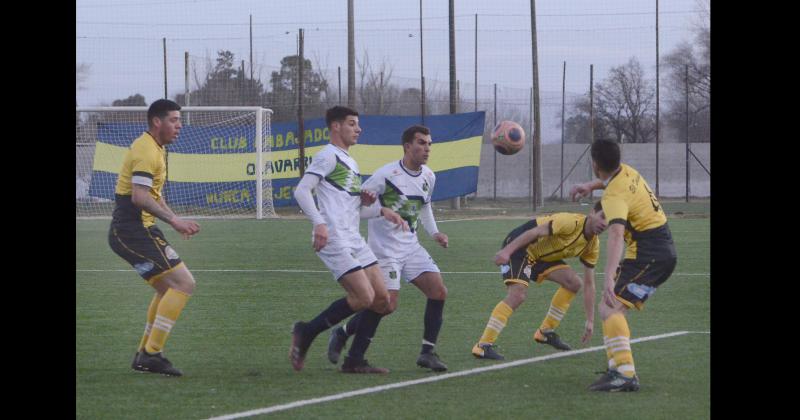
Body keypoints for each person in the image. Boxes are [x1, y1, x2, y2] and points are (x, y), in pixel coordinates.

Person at [291, 106, 408, 374]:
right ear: (336, 126)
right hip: (333, 237)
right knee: (364, 296)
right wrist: (319, 223)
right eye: (353, 124)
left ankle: (354, 360)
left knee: (383, 300)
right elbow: (302, 191)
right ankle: (306, 331)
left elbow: (352, 208)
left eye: (358, 124)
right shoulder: (328, 156)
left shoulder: (350, 162)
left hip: (353, 237)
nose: (358, 129)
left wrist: (378, 208)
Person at [327, 125, 450, 372]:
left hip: (411, 247)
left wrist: (434, 232)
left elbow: (424, 206)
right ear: (407, 146)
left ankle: (427, 352)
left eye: (429, 144)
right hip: (384, 251)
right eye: (421, 143)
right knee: (387, 304)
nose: (426, 148)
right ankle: (343, 333)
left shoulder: (429, 176)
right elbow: (357, 205)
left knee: (438, 292)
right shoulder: (385, 175)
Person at [570, 138, 677, 392]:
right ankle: (617, 368)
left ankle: (625, 375)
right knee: (611, 307)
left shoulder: (614, 196)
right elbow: (607, 179)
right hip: (657, 249)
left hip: (650, 254)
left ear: (595, 164)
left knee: (610, 307)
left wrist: (607, 277)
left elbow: (616, 235)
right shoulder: (627, 171)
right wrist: (589, 185)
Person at [108, 99, 201, 377]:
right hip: (130, 231)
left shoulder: (155, 148)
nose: (179, 126)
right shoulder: (147, 150)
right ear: (156, 122)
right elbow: (139, 197)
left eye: (179, 120)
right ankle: (152, 353)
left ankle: (144, 354)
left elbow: (152, 196)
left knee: (167, 289)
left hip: (141, 229)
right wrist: (174, 220)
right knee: (184, 283)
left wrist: (175, 223)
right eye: (174, 120)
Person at [471, 203, 607, 361]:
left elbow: (590, 284)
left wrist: (590, 320)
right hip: (521, 247)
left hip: (541, 256)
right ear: (592, 213)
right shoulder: (570, 222)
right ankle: (482, 346)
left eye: (609, 221)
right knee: (517, 295)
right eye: (602, 216)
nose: (604, 224)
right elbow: (535, 231)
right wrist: (507, 251)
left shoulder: (593, 245)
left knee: (574, 283)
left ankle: (545, 332)